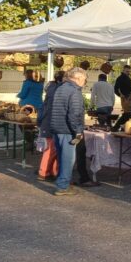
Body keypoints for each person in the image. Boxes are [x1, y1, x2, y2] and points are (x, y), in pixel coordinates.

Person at [48, 67, 87, 195]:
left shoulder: (60, 88)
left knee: (61, 157)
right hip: (67, 130)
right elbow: (74, 114)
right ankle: (63, 186)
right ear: (79, 78)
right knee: (68, 159)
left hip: (57, 128)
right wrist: (78, 131)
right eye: (84, 80)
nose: (84, 82)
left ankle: (62, 182)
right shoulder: (74, 92)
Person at [37, 70, 66, 181]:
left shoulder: (51, 88)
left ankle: (50, 171)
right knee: (51, 149)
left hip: (47, 122)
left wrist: (40, 121)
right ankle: (44, 173)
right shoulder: (57, 90)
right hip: (51, 123)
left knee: (51, 149)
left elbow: (44, 107)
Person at [112, 65, 131, 131]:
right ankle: (116, 127)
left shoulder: (128, 78)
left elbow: (130, 89)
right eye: (127, 71)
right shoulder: (120, 78)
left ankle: (122, 127)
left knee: (128, 114)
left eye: (129, 71)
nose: (128, 73)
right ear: (123, 70)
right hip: (125, 97)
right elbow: (116, 88)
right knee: (127, 113)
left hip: (129, 96)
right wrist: (120, 95)